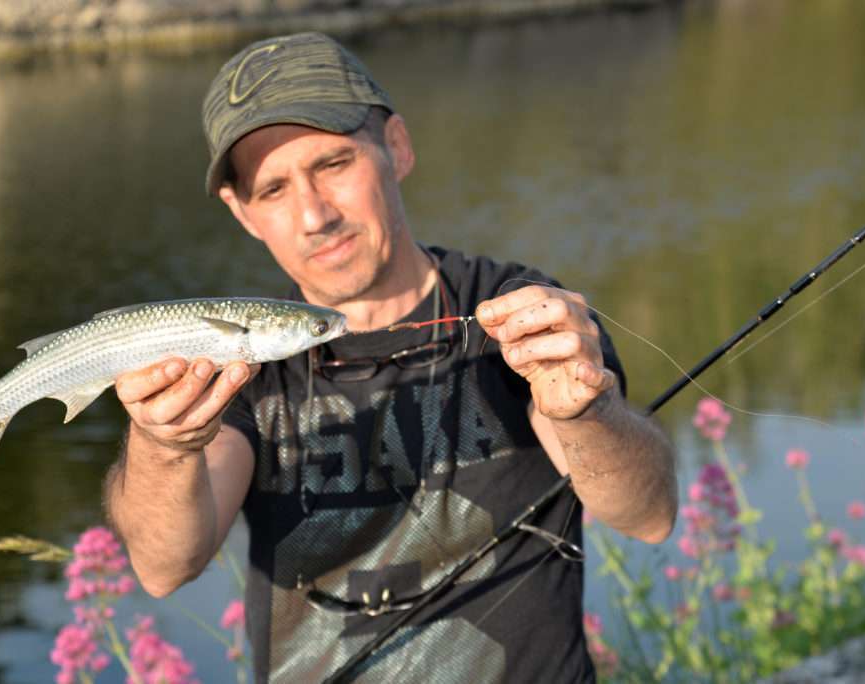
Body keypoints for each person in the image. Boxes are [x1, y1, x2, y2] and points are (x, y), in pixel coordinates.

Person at [104, 32, 677, 683]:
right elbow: (163, 566)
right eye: (274, 190)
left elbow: (648, 516)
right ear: (243, 213)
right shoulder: (243, 359)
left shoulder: (518, 313)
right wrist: (162, 444)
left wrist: (588, 412)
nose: (315, 214)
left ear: (396, 148)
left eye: (333, 164)